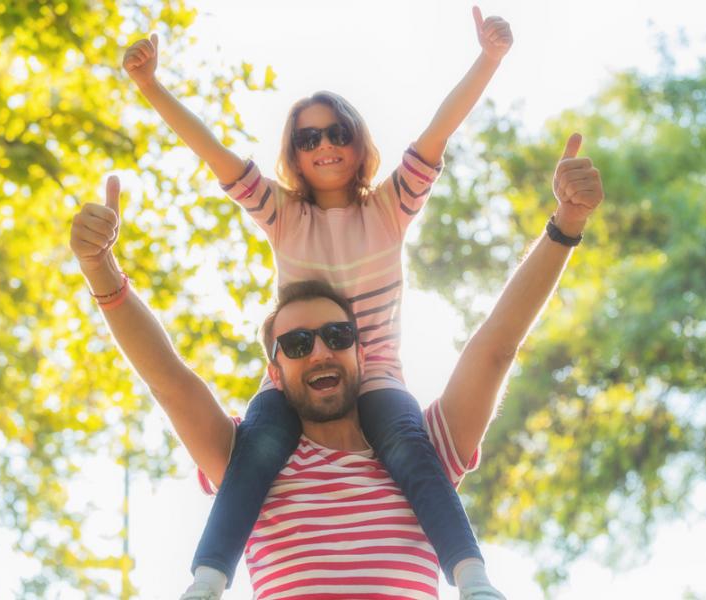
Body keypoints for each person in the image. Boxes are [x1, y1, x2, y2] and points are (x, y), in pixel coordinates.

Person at [69, 133, 604, 599]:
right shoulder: (247, 464)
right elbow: (168, 380)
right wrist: (99, 267)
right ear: (274, 374)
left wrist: (567, 224)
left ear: (360, 354)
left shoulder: (428, 450)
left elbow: (496, 345)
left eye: (337, 336)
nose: (321, 351)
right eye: (297, 343)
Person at [120, 6, 515, 596]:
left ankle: (472, 576)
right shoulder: (283, 215)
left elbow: (439, 131)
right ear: (295, 154)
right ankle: (208, 578)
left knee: (412, 452)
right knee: (257, 451)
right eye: (308, 138)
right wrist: (151, 86)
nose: (324, 144)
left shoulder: (389, 209)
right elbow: (213, 152)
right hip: (294, 382)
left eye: (336, 132)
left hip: (376, 377)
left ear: (357, 143)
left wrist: (488, 59)